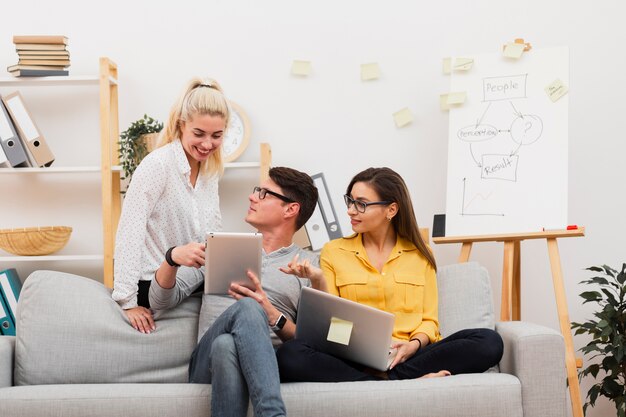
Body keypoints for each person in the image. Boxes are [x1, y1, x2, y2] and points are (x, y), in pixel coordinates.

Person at [277, 167, 503, 382]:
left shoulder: (420, 255)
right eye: (350, 201)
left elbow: (429, 322)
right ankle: (395, 381)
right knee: (290, 354)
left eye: (361, 204)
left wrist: (412, 345)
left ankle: (386, 378)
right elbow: (331, 323)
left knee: (489, 341)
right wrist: (318, 280)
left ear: (391, 210)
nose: (351, 210)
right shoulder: (334, 251)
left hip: (409, 355)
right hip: (352, 358)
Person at [149, 167, 320, 417]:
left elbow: (309, 343)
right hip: (205, 365)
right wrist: (171, 258)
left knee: (226, 344)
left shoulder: (309, 266)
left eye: (264, 193)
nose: (252, 197)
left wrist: (271, 313)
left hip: (265, 364)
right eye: (256, 191)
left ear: (290, 209)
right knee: (247, 309)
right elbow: (159, 301)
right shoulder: (221, 246)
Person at [112, 77, 228, 333]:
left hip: (191, 278)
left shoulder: (210, 171)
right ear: (181, 125)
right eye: (199, 134)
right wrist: (127, 301)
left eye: (216, 135)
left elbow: (213, 230)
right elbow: (130, 231)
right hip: (154, 282)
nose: (207, 144)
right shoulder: (158, 165)